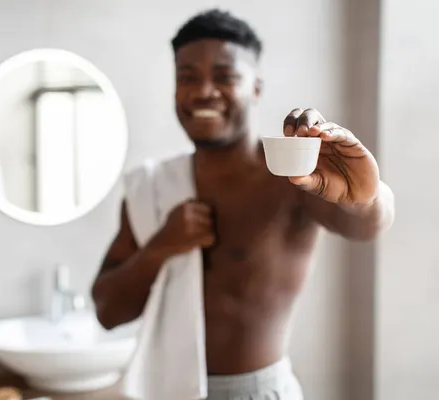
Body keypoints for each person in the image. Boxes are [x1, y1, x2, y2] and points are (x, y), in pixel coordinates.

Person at [91, 9, 395, 400]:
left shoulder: (291, 178)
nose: (203, 91)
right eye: (187, 77)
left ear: (255, 88)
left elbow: (366, 225)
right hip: (168, 391)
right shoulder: (152, 187)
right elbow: (106, 312)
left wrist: (368, 196)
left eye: (225, 76)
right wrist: (160, 247)